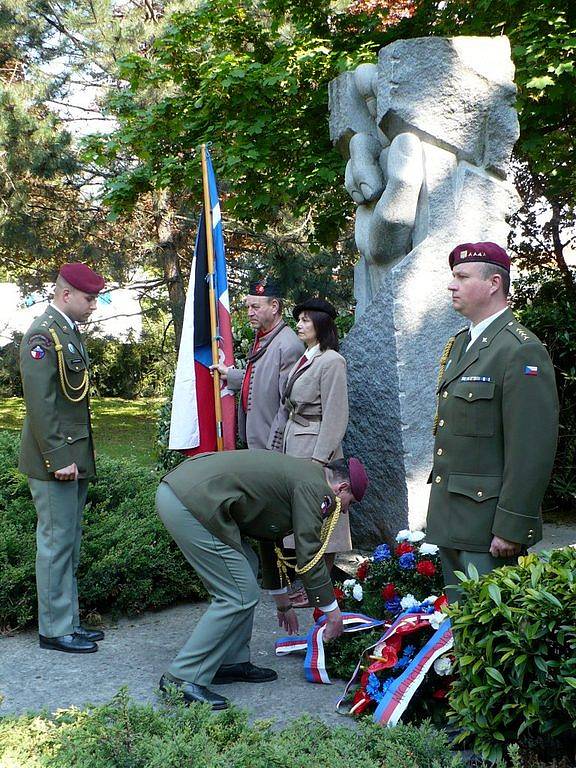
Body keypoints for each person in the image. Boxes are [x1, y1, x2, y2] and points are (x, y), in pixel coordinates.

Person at [156, 449, 368, 710]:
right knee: (238, 595)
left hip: (188, 494)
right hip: (191, 502)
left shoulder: (308, 477)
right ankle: (182, 678)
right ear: (342, 487)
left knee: (247, 568)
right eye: (351, 502)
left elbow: (269, 538)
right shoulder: (316, 490)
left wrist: (282, 603)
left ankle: (230, 661)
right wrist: (332, 612)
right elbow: (309, 555)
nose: (346, 510)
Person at [426, 242, 559, 602]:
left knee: (490, 637)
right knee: (461, 629)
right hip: (454, 518)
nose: (451, 285)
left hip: (489, 528)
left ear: (494, 283)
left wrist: (512, 525)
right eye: (453, 276)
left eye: (462, 277)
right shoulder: (460, 345)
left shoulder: (520, 349)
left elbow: (531, 449)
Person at [19, 263, 106, 653]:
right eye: (89, 299)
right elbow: (41, 405)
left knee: (68, 542)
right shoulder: (42, 334)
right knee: (55, 543)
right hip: (55, 461)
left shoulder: (66, 333)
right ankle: (54, 630)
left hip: (73, 456)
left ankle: (67, 620)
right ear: (66, 294)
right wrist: (59, 457)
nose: (94, 306)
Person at [280, 298, 351, 607]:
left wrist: (319, 460)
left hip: (315, 449)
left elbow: (336, 415)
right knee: (303, 518)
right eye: (299, 319)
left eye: (306, 320)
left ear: (321, 324)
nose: (299, 324)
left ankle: (318, 588)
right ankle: (307, 582)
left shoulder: (332, 360)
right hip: (296, 441)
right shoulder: (308, 357)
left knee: (323, 520)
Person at [212, 278, 303, 450]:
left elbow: (288, 406)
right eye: (248, 307)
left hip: (270, 445)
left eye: (255, 307)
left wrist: (274, 446)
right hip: (256, 440)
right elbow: (263, 380)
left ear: (274, 307)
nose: (249, 313)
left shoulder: (288, 345)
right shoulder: (264, 337)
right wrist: (230, 375)